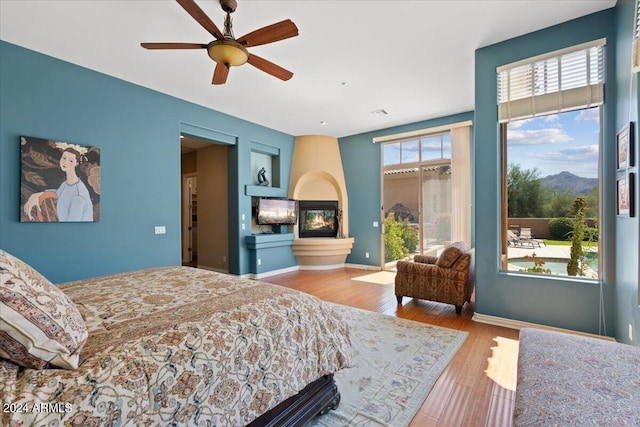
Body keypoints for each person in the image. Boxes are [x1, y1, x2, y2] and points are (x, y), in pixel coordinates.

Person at [23, 145, 93, 222]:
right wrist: (36, 195)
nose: (65, 162)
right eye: (64, 158)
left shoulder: (78, 197)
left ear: (76, 163)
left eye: (71, 160)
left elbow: (72, 225)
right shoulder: (66, 184)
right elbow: (58, 193)